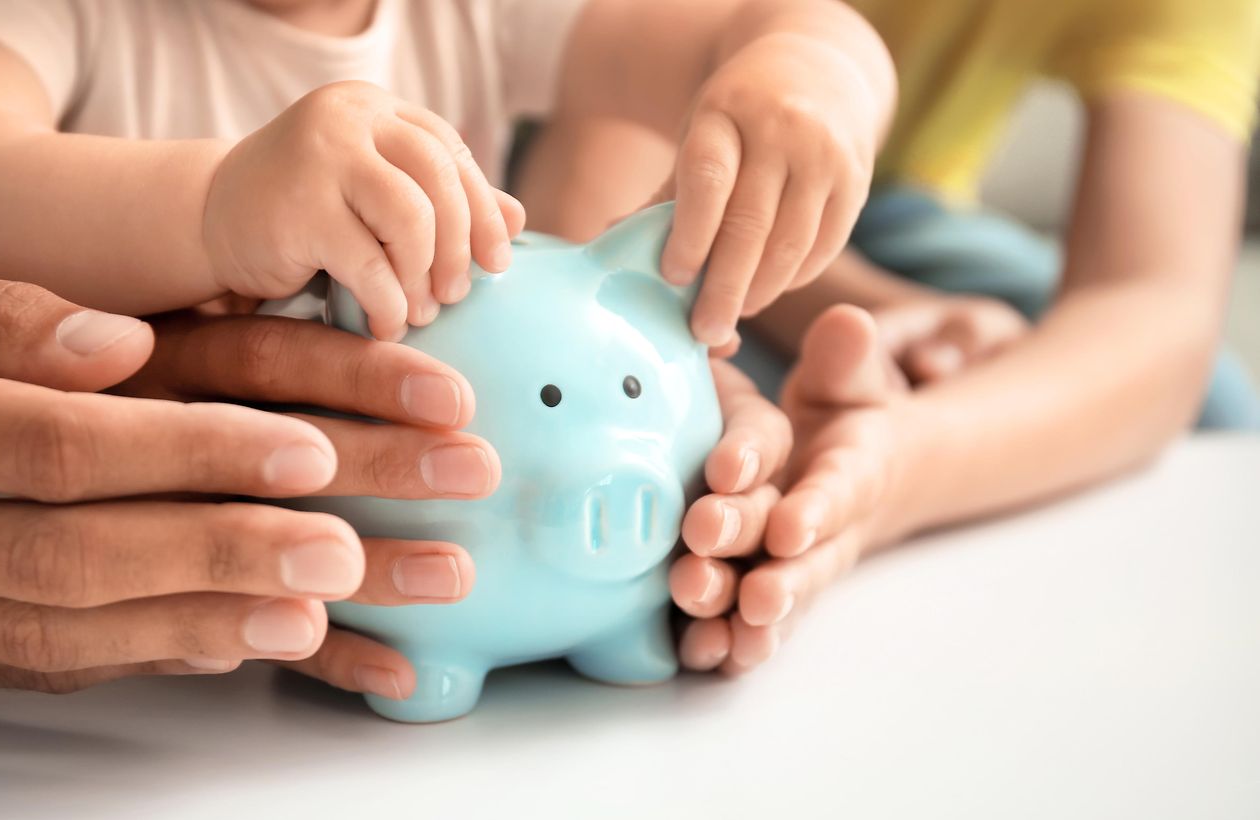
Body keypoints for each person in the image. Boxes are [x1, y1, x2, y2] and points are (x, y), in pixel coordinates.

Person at [0, 0, 889, 693]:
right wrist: (213, 204)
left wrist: (813, 68)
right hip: (103, 626)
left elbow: (759, 21)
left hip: (415, 586)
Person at [514, 0, 1260, 670]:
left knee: (1214, 408)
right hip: (654, 207)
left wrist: (893, 470)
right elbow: (600, 212)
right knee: (698, 485)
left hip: (878, 221)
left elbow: (1155, 305)